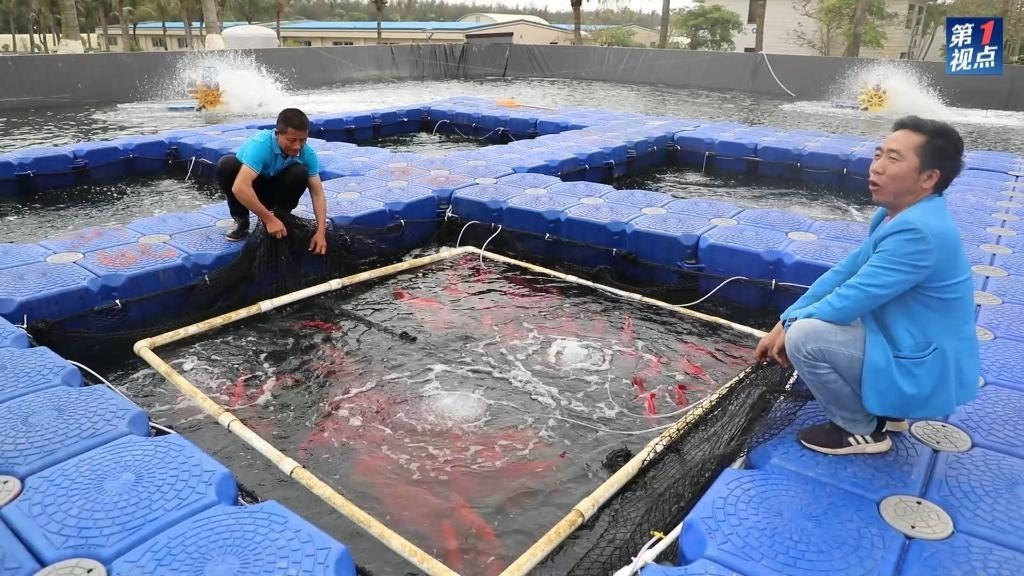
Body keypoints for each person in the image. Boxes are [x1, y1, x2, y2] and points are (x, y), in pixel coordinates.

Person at [754, 116, 980, 456]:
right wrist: (785, 318)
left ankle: (859, 429)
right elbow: (844, 273)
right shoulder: (897, 215)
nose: (877, 167)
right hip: (909, 344)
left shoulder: (919, 232)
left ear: (929, 178)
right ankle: (887, 411)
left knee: (806, 337)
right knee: (806, 322)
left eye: (893, 158)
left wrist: (792, 326)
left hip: (924, 370)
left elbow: (850, 299)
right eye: (878, 154)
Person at [215, 107, 328, 255]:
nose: (297, 146)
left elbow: (318, 193)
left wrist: (320, 232)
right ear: (278, 133)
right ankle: (241, 220)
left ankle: (283, 217)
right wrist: (269, 219)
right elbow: (240, 187)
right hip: (252, 190)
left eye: (303, 140)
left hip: (276, 192)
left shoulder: (307, 153)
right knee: (227, 165)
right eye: (292, 140)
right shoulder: (260, 145)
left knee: (299, 172)